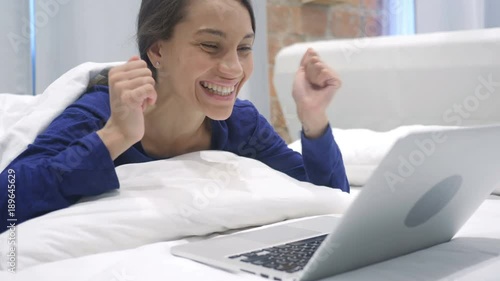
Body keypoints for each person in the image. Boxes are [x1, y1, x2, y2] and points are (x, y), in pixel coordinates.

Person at [0, 0, 349, 233]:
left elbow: (331, 198)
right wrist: (115, 137)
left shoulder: (242, 124)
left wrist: (313, 120)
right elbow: (7, 202)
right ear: (157, 50)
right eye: (210, 46)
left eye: (244, 48)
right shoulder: (99, 112)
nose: (233, 68)